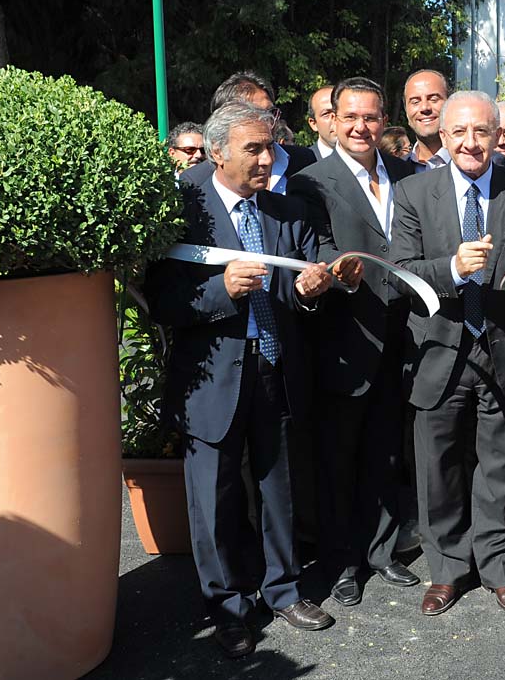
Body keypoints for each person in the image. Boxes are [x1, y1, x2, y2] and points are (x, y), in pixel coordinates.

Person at [144, 101, 362, 659]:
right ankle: (228, 608)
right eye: (254, 149)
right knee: (213, 501)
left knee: (278, 490)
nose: (268, 159)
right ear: (217, 153)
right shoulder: (181, 211)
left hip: (276, 370)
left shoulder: (286, 213)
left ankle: (284, 591)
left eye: (271, 147)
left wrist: (312, 290)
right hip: (212, 380)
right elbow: (163, 301)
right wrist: (222, 291)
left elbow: (297, 285)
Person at [390, 90, 505, 618]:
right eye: (459, 132)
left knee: (503, 468)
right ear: (443, 136)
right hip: (439, 352)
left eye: (481, 132)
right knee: (437, 468)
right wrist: (454, 268)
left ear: (498, 136)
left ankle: (503, 570)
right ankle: (447, 570)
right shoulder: (415, 192)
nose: (470, 142)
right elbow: (401, 272)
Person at [287, 78, 421, 607]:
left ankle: (383, 551)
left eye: (371, 117)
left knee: (387, 453)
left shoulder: (409, 176)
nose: (361, 127)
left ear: (385, 119)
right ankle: (342, 563)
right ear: (332, 121)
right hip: (348, 336)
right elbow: (314, 245)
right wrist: (338, 274)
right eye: (351, 118)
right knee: (338, 459)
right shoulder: (310, 182)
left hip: (405, 335)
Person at [183, 71, 318, 192]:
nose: (268, 123)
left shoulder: (304, 161)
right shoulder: (194, 182)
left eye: (270, 113)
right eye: (254, 114)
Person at [402, 69, 450, 172]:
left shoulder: (481, 165)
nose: (425, 107)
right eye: (415, 102)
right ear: (406, 111)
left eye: (433, 99)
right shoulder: (394, 173)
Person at [306, 85, 338, 160]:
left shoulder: (367, 161)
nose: (335, 118)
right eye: (326, 114)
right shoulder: (305, 163)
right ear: (313, 124)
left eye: (338, 111)